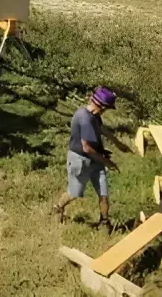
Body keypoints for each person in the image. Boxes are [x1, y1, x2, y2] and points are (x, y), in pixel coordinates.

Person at [54, 87, 118, 225]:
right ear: (102, 106)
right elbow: (87, 148)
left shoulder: (94, 115)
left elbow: (101, 129)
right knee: (74, 192)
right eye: (106, 108)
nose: (105, 111)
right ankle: (58, 208)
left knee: (103, 193)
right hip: (80, 160)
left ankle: (104, 222)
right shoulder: (85, 118)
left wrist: (117, 143)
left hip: (96, 159)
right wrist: (108, 162)